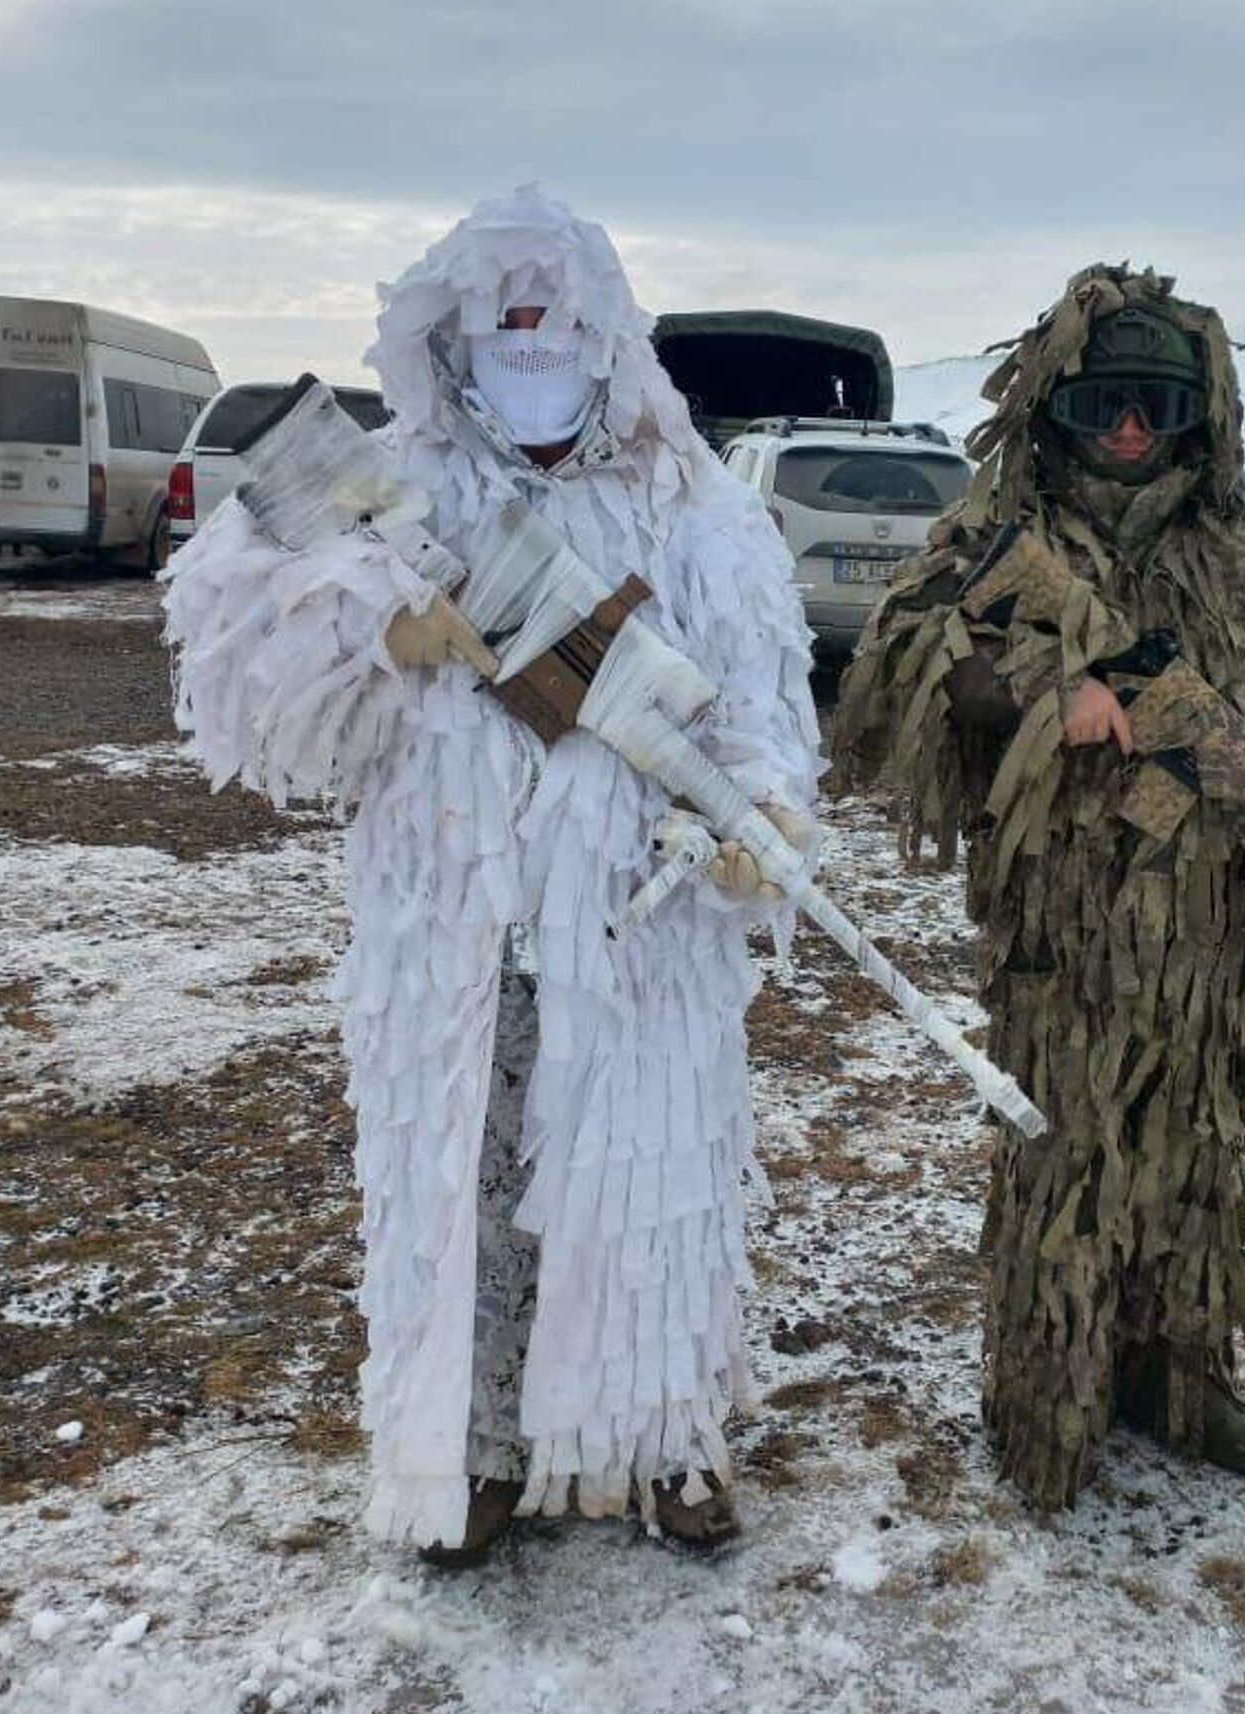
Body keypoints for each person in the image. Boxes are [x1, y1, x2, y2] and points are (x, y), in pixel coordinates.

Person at [164, 187, 820, 1561]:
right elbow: (234, 667)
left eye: (557, 327)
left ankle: (661, 1440)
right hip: (447, 930)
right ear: (451, 338)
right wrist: (377, 629)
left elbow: (753, 692)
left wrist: (761, 813)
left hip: (638, 934)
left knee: (645, 1183)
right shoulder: (383, 484)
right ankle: (469, 1454)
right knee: (459, 1196)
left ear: (606, 337)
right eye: (503, 327)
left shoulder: (691, 505)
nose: (533, 350)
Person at [833, 264, 1245, 1510]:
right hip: (1064, 918)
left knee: (1197, 1151)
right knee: (1068, 1156)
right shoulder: (1000, 537)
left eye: (1157, 406)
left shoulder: (1244, 547)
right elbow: (904, 663)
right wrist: (1046, 689)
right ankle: (1050, 1400)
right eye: (1103, 406)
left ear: (1201, 414)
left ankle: (1177, 1380)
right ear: (1054, 407)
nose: (1131, 431)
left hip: (1214, 927)